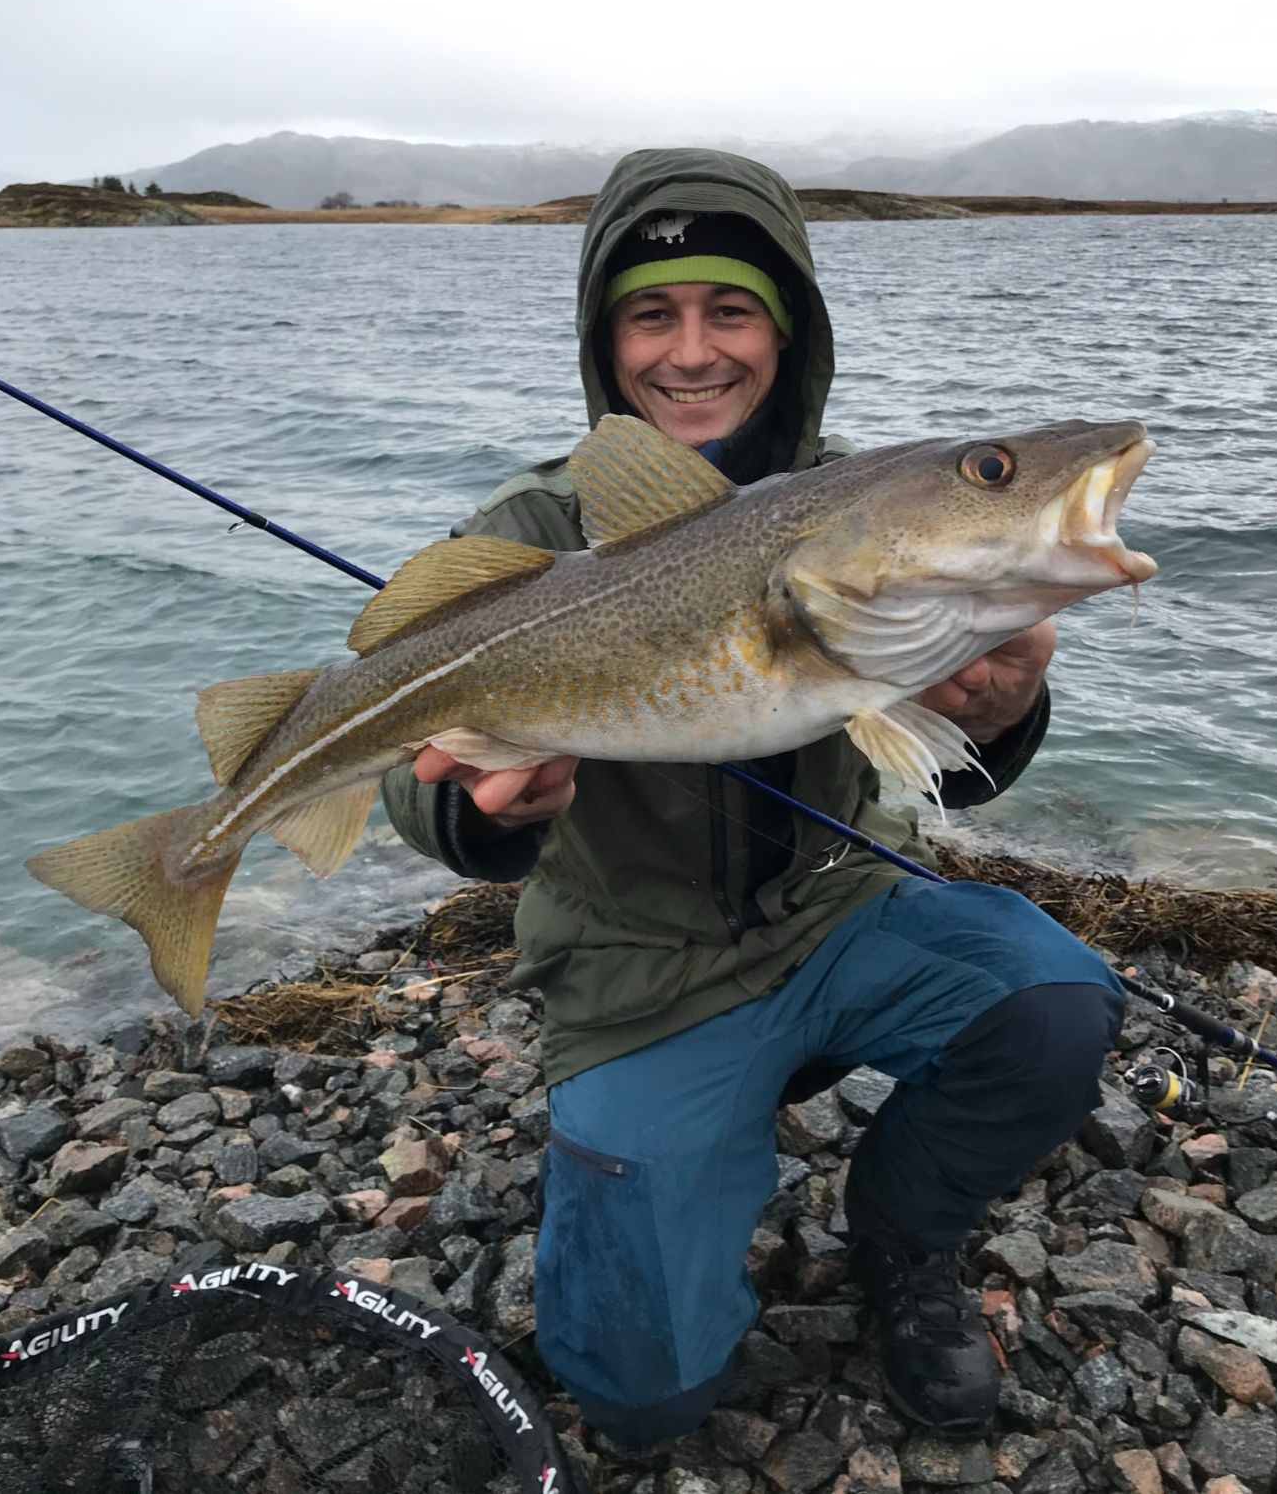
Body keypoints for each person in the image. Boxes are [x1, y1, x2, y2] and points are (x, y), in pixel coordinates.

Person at [382, 148, 1124, 1446]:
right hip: (641, 975)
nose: (691, 352)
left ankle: (898, 1235)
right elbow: (404, 756)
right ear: (603, 340)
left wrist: (999, 707)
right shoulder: (530, 532)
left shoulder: (865, 504)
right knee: (641, 1402)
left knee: (1057, 1004)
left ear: (787, 330)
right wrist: (477, 812)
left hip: (846, 917)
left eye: (729, 309)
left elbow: (943, 756)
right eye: (649, 316)